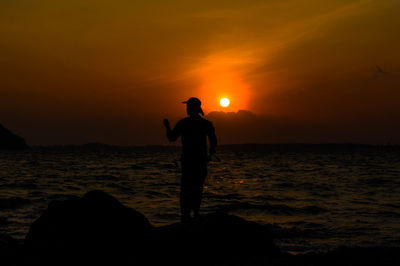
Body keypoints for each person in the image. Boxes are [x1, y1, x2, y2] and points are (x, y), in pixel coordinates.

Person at [163, 97, 217, 223]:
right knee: (197, 188)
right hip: (200, 162)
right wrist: (211, 151)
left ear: (191, 108)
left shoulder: (183, 123)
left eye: (188, 107)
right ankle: (195, 215)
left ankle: (185, 216)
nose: (186, 109)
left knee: (186, 189)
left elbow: (171, 138)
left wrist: (167, 126)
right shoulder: (206, 124)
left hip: (188, 162)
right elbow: (213, 141)